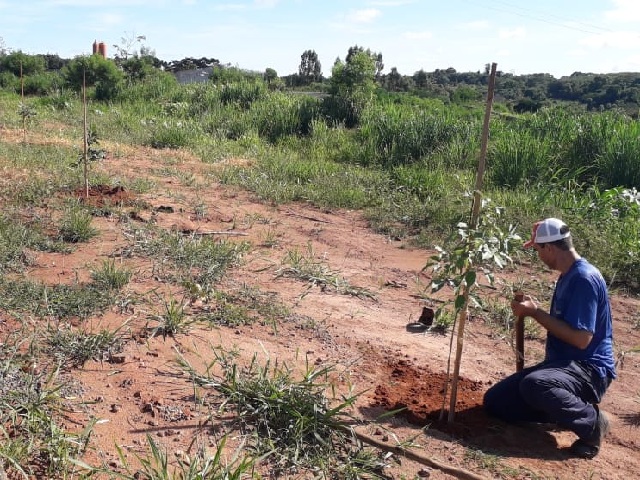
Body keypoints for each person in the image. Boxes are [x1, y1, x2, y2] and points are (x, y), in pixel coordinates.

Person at [483, 217, 616, 459]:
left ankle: (592, 423)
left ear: (550, 248)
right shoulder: (568, 275)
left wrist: (535, 313)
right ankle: (564, 412)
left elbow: (581, 340)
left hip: (589, 371)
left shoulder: (583, 278)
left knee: (536, 384)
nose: (538, 256)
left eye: (537, 250)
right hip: (562, 367)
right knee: (496, 402)